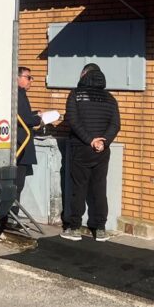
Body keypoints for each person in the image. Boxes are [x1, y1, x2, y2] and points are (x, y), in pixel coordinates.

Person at [62, 63, 120, 241]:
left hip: (81, 148)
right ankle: (100, 228)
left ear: (84, 75)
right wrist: (103, 141)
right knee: (99, 188)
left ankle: (75, 228)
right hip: (102, 150)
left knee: (79, 188)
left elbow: (72, 120)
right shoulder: (110, 98)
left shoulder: (76, 95)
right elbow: (115, 125)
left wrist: (89, 140)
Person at [14, 66, 42, 210]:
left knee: (20, 183)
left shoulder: (21, 94)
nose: (31, 81)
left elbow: (24, 115)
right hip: (20, 145)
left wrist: (36, 114)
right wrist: (39, 119)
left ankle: (13, 216)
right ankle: (12, 216)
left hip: (23, 145)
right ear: (17, 78)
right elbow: (23, 118)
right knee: (17, 184)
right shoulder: (17, 95)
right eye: (28, 77)